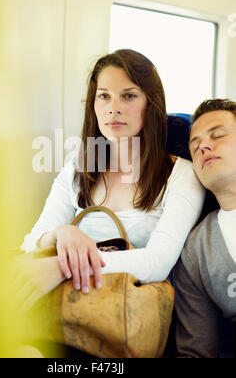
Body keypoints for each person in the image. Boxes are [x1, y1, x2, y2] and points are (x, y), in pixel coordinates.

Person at [19, 49, 205, 313]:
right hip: (64, 309)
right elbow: (30, 243)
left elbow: (158, 261)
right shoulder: (78, 166)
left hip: (127, 317)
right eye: (104, 96)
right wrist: (63, 233)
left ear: (150, 105)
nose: (114, 108)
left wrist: (63, 267)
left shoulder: (181, 173)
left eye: (128, 96)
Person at [174, 98, 236, 358]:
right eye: (195, 145)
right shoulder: (195, 253)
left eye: (218, 135)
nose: (204, 147)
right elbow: (196, 351)